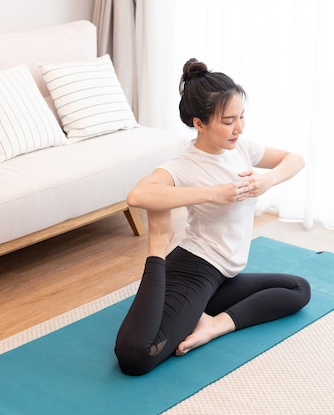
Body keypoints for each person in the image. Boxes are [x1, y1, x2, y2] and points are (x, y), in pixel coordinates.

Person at [114, 58, 311, 376]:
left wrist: (268, 180)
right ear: (199, 123)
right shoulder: (187, 164)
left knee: (298, 289)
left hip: (224, 275)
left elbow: (295, 159)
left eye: (242, 117)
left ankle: (213, 324)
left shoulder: (242, 147)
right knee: (137, 356)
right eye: (228, 120)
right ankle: (157, 251)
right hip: (194, 269)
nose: (239, 128)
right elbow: (138, 195)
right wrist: (212, 194)